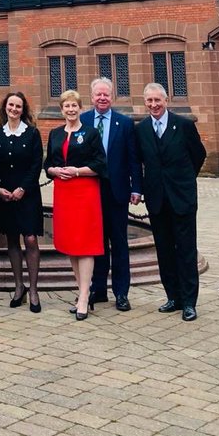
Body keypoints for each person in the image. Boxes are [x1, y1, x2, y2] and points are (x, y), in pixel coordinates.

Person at [135, 81, 207, 321]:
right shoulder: (142, 128)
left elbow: (198, 155)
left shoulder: (184, 125)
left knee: (185, 250)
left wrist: (184, 180)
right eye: (149, 101)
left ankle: (189, 302)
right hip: (157, 200)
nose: (154, 105)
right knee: (164, 251)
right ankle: (173, 297)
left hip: (182, 198)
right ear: (145, 102)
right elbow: (140, 161)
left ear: (166, 101)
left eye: (158, 100)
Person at [80, 77, 143, 311]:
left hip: (117, 191)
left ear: (112, 97)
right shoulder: (84, 120)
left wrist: (136, 187)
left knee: (118, 243)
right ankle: (97, 290)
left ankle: (121, 292)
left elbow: (133, 159)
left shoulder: (124, 123)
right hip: (90, 191)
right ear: (92, 96)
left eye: (106, 94)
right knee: (95, 243)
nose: (102, 98)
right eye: (98, 95)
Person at [45, 89, 107, 320]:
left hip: (84, 191)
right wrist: (54, 170)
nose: (71, 110)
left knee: (85, 244)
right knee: (70, 244)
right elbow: (48, 164)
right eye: (66, 107)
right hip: (63, 192)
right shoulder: (55, 133)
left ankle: (83, 297)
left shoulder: (90, 133)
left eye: (74, 106)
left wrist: (77, 171)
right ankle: (82, 291)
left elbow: (100, 164)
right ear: (61, 110)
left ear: (81, 108)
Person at [0, 91, 44, 313]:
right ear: (5, 107)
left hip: (27, 195)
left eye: (18, 106)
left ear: (24, 110)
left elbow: (36, 164)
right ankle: (18, 287)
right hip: (4, 194)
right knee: (12, 240)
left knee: (30, 239)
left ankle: (33, 289)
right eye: (11, 105)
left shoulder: (32, 134)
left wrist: (23, 188)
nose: (14, 109)